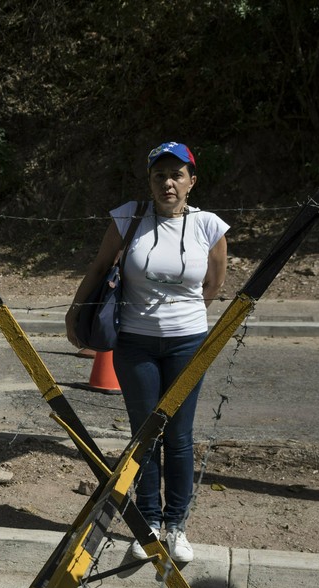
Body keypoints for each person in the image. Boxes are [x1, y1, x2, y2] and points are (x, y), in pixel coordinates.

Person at [65, 142, 228, 564]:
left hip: (188, 343)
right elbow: (99, 269)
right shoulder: (128, 217)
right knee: (144, 435)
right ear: (150, 180)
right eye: (160, 175)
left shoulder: (210, 226)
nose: (168, 183)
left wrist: (182, 319)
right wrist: (74, 314)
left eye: (177, 175)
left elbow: (213, 285)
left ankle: (177, 525)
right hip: (135, 343)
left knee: (179, 435)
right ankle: (149, 524)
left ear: (192, 181)